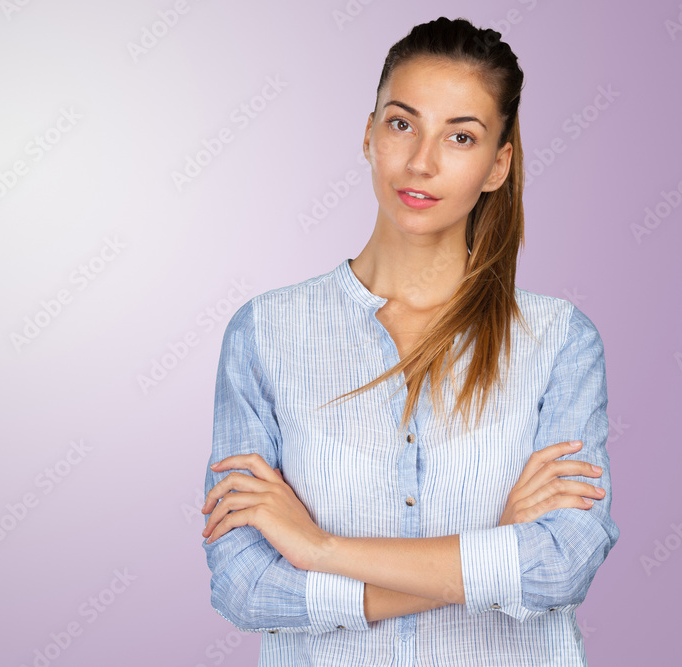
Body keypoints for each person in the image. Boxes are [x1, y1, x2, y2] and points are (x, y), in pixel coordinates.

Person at [200, 16, 619, 666]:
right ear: (368, 135)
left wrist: (319, 550)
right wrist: (490, 550)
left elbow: (558, 567)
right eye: (402, 123)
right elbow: (244, 584)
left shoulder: (559, 343)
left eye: (460, 136)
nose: (421, 161)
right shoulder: (265, 334)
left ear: (497, 165)